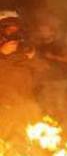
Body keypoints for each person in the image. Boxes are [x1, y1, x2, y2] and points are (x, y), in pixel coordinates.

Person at [0, 10, 42, 139]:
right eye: (8, 28)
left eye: (15, 27)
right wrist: (2, 54)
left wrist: (32, 58)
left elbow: (44, 69)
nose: (13, 31)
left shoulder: (23, 47)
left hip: (24, 105)